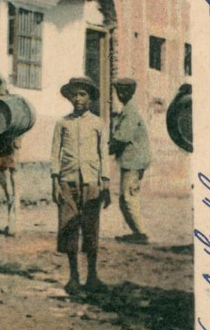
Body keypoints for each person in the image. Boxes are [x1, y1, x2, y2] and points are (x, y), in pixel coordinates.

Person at [51, 76, 110, 294]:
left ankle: (92, 276)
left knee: (91, 228)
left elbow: (103, 154)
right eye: (74, 94)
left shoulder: (98, 124)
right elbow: (55, 153)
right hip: (67, 182)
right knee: (68, 228)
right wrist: (54, 181)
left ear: (90, 98)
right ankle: (73, 277)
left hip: (92, 183)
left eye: (82, 94)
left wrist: (105, 182)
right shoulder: (62, 123)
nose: (78, 98)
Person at [110, 77, 151, 243]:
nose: (120, 94)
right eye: (118, 91)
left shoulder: (130, 112)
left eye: (124, 91)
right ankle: (137, 232)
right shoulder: (128, 110)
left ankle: (140, 234)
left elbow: (121, 138)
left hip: (134, 161)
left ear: (131, 92)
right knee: (125, 197)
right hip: (132, 160)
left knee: (128, 197)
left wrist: (103, 150)